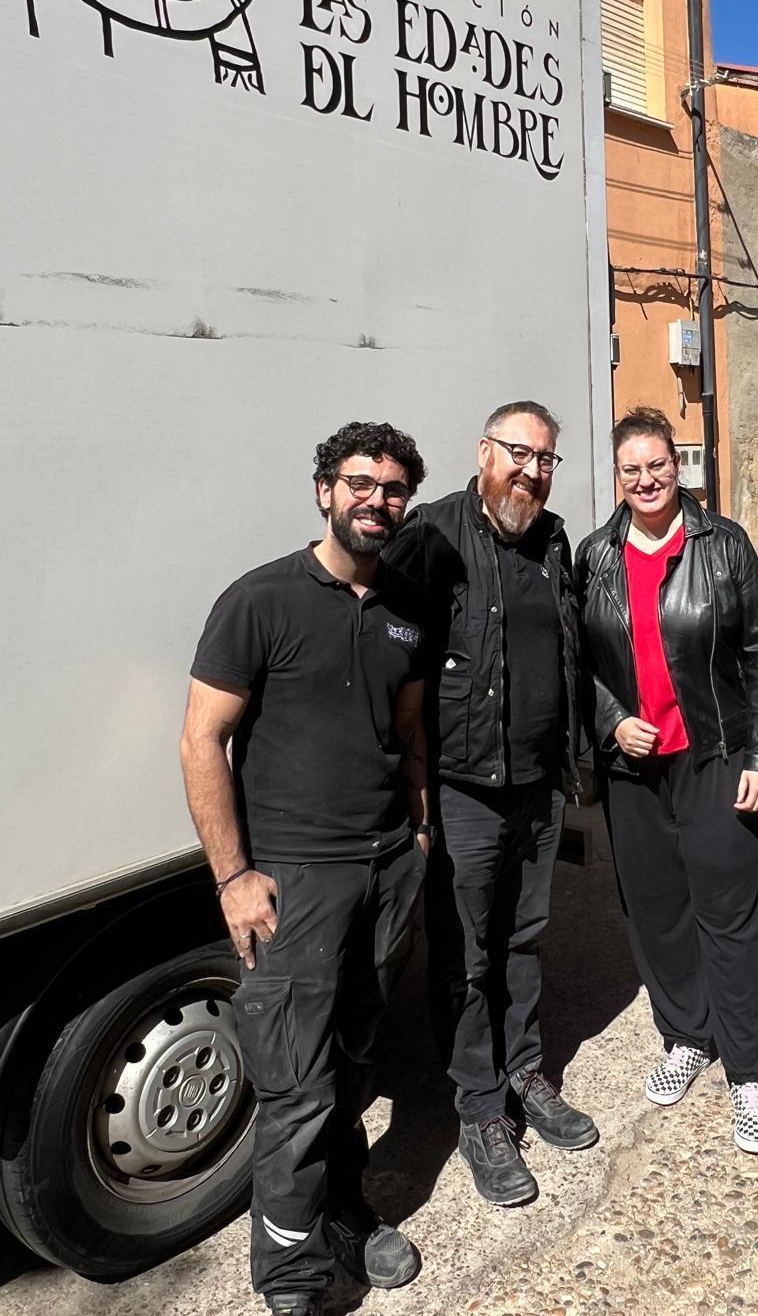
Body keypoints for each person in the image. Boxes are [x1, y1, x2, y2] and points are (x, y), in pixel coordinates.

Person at [181, 422, 433, 1316]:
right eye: (361, 481)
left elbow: (407, 732)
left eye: (396, 488)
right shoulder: (260, 600)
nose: (379, 500)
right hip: (297, 882)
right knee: (296, 1086)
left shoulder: (405, 606)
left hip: (385, 872)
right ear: (324, 489)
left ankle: (342, 1212)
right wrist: (234, 877)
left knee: (355, 1061)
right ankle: (289, 1283)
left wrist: (420, 831)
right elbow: (202, 740)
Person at [385, 401, 596, 1207]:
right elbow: (392, 657)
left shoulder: (552, 541)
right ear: (484, 452)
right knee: (465, 958)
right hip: (464, 789)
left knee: (525, 941)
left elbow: (568, 649)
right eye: (519, 454)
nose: (532, 472)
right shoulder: (432, 534)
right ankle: (478, 1108)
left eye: (545, 460)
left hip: (536, 787)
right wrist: (413, 795)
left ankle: (524, 1073)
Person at [575, 406, 758, 1154]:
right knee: (657, 912)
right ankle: (686, 1037)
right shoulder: (595, 555)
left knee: (731, 912)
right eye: (631, 468)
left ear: (677, 464)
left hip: (717, 756)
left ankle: (750, 1073)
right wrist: (609, 720)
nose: (646, 479)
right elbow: (580, 663)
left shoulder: (722, 545)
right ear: (618, 475)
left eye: (657, 464)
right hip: (635, 770)